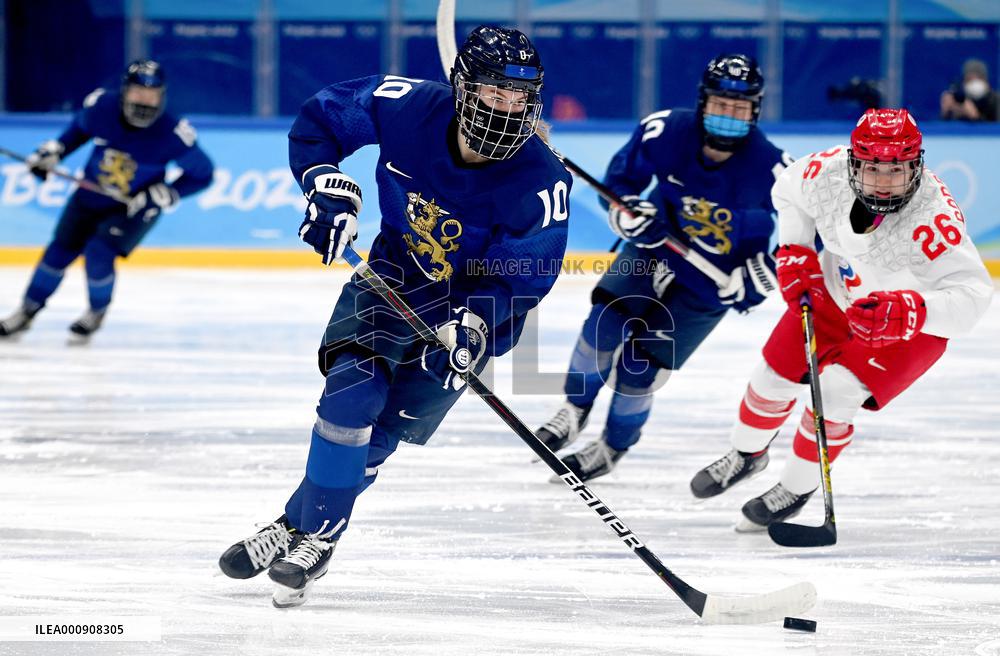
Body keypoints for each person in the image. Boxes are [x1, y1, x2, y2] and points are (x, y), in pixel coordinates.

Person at [219, 26, 571, 608]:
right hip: (391, 279)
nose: (508, 109)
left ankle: (293, 525)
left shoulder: (542, 181)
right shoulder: (405, 105)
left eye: (520, 97)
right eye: (494, 93)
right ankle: (324, 536)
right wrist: (325, 186)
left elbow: (523, 277)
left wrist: (476, 323)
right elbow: (323, 120)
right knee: (348, 399)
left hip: (465, 316)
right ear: (463, 88)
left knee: (381, 434)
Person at [690, 108, 993, 531]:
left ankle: (795, 488)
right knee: (771, 377)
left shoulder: (933, 220)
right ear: (853, 163)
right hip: (834, 292)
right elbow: (787, 191)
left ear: (916, 166)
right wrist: (794, 249)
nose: (884, 182)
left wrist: (914, 310)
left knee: (833, 394)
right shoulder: (826, 172)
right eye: (872, 169)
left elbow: (975, 297)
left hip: (906, 327)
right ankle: (747, 454)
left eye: (897, 170)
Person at [534, 54, 793, 482]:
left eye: (740, 107)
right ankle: (574, 408)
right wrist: (626, 212)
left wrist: (768, 269)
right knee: (605, 323)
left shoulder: (773, 167)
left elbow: (815, 231)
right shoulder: (666, 130)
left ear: (756, 111)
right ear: (702, 102)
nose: (729, 115)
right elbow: (619, 184)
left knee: (641, 364)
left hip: (716, 279)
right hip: (657, 244)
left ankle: (613, 446)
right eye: (720, 104)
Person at [0, 60, 214, 341]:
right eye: (138, 93)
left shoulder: (173, 134)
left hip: (134, 208)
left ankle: (96, 312)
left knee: (99, 253)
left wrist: (170, 192)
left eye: (151, 95)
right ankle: (26, 311)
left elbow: (203, 174)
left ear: (162, 96)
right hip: (89, 195)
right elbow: (79, 130)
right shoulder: (101, 107)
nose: (144, 101)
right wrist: (56, 151)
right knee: (58, 252)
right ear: (124, 91)